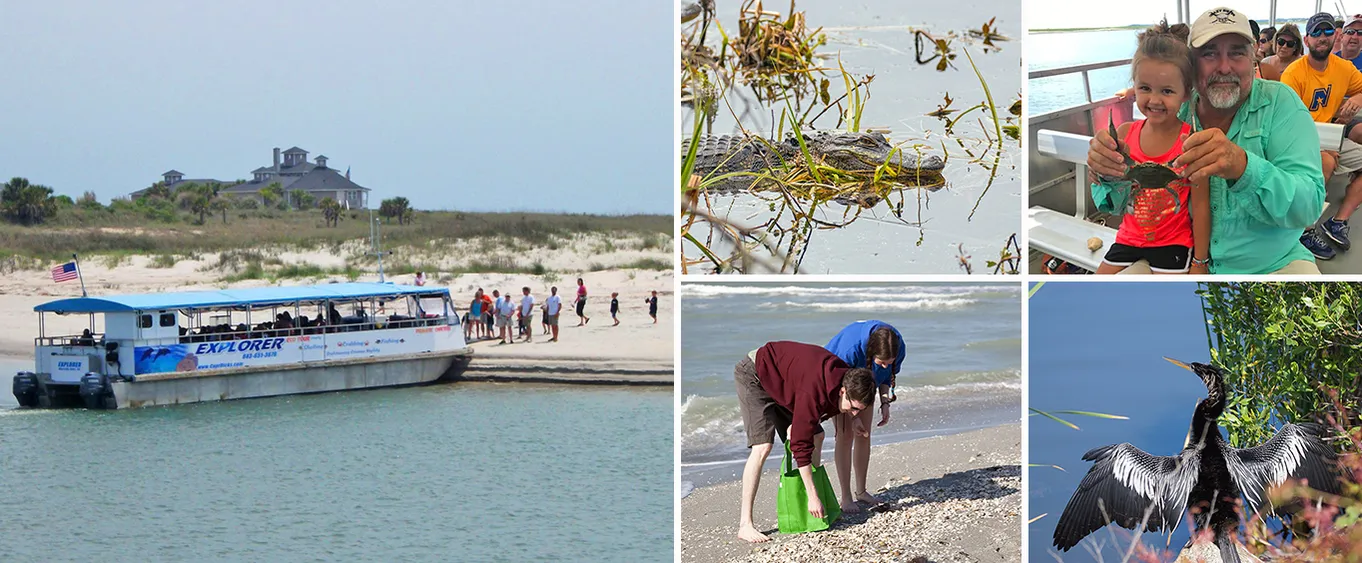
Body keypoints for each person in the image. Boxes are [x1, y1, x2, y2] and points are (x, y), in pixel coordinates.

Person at [1087, 7, 1325, 274]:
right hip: (1169, 257)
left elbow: (1309, 206)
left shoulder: (1282, 104)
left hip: (1272, 264)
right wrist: (1107, 171)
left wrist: (1244, 169)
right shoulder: (1169, 109)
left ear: (1253, 59)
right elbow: (1122, 202)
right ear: (1191, 65)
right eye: (1209, 53)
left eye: (1236, 52)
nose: (1224, 67)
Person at [1092, 20, 1211, 274]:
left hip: (1173, 243)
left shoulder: (1190, 142)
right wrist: (1100, 171)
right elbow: (1110, 187)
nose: (1154, 100)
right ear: (1133, 86)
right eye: (1144, 88)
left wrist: (1200, 262)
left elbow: (1201, 208)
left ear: (1186, 93)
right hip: (1127, 238)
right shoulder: (1124, 134)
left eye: (1167, 91)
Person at [733, 341, 877, 543]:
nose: (854, 413)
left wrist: (855, 420)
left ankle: (812, 505)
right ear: (843, 391)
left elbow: (816, 416)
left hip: (785, 384)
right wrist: (813, 496)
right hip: (755, 374)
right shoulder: (815, 392)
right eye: (853, 408)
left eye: (858, 410)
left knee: (817, 435)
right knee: (763, 447)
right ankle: (745, 524)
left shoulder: (847, 380)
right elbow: (800, 446)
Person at [1282, 13, 1362, 260]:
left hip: (1332, 134)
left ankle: (1338, 221)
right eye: (1316, 33)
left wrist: (1356, 99)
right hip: (1299, 138)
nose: (1322, 37)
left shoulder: (1344, 69)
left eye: (1327, 32)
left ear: (1335, 35)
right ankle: (1304, 231)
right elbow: (1287, 124)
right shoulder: (1294, 74)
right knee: (1324, 162)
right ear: (1306, 39)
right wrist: (1323, 147)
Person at [824, 320, 905, 513]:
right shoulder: (850, 350)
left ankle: (861, 491)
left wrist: (885, 402)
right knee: (845, 436)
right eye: (881, 362)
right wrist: (853, 416)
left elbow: (886, 377)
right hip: (839, 381)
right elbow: (839, 384)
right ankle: (845, 497)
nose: (886, 365)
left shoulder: (897, 346)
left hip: (866, 382)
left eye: (889, 362)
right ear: (871, 353)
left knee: (864, 434)